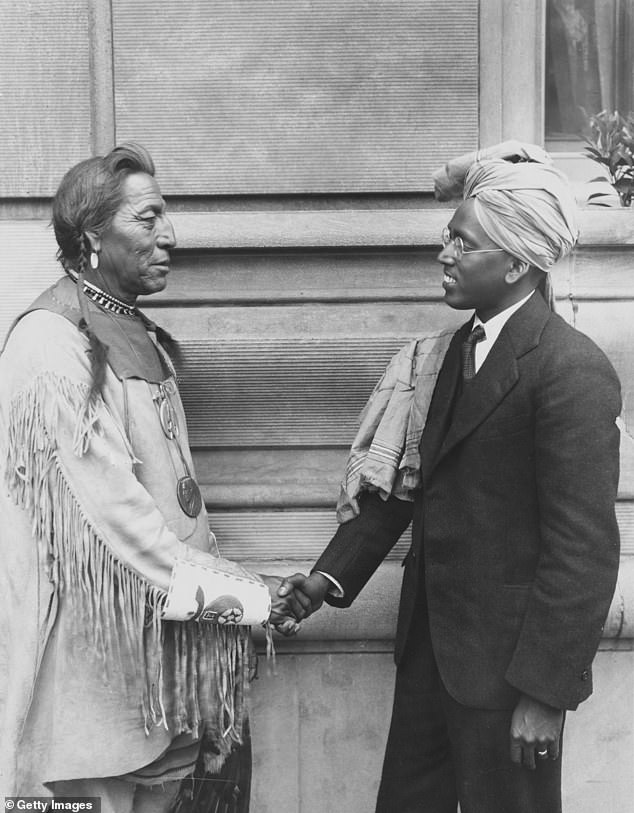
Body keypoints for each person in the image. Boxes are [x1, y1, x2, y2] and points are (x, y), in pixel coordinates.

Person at [279, 144, 622, 812]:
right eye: (449, 237)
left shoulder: (571, 371)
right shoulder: (445, 356)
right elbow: (412, 489)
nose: (444, 253)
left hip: (511, 681)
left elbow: (583, 553)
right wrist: (324, 579)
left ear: (518, 261)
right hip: (431, 663)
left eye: (462, 243)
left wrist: (545, 695)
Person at [0, 142, 305, 812]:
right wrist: (246, 600)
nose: (170, 235)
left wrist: (230, 605)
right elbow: (121, 531)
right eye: (148, 218)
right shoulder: (52, 348)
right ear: (91, 237)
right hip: (86, 681)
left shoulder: (134, 329)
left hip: (162, 669)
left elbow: (181, 504)